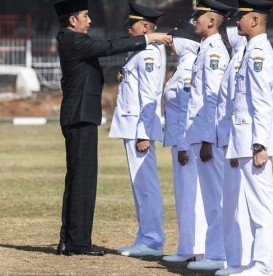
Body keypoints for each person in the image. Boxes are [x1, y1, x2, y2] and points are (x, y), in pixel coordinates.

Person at [53, 0, 171, 256]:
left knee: (76, 180)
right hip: (80, 117)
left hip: (79, 116)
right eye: (85, 15)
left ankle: (69, 239)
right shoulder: (73, 40)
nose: (90, 20)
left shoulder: (68, 38)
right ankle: (79, 242)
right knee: (82, 180)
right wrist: (148, 39)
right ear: (73, 20)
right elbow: (108, 46)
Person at [225, 0, 273, 275]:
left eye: (241, 17)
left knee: (261, 206)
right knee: (250, 205)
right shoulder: (251, 50)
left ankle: (264, 267)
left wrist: (260, 145)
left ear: (254, 21)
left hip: (253, 140)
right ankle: (253, 264)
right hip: (245, 138)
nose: (236, 21)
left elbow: (262, 103)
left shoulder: (259, 53)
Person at [108, 0, 166, 257]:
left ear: (144, 26)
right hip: (132, 126)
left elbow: (150, 95)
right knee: (139, 185)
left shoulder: (150, 53)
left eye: (131, 25)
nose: (128, 30)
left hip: (138, 129)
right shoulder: (140, 51)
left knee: (146, 185)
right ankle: (145, 237)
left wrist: (144, 133)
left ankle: (152, 240)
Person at [178, 0, 232, 271]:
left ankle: (218, 254)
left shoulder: (214, 53)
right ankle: (214, 252)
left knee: (215, 200)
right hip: (200, 133)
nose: (193, 21)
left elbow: (212, 99)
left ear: (211, 21)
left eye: (198, 16)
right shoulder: (206, 49)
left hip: (207, 136)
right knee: (211, 199)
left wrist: (208, 139)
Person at [161, 20, 208, 263]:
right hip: (182, 144)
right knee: (184, 197)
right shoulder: (182, 67)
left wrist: (182, 145)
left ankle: (197, 247)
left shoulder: (189, 69)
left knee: (193, 196)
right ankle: (187, 245)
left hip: (186, 146)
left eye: (174, 39)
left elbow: (188, 112)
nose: (170, 44)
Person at [214, 11, 251, 276]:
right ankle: (235, 260)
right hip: (230, 140)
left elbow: (238, 106)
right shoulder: (235, 59)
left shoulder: (242, 59)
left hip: (237, 140)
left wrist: (235, 143)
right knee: (231, 203)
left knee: (240, 204)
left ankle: (242, 261)